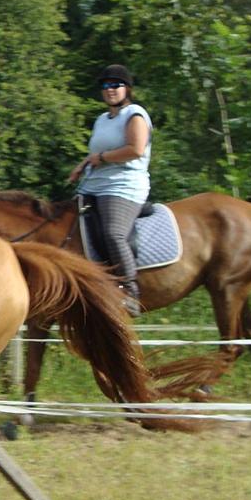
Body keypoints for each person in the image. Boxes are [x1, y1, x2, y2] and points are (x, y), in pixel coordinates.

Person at [67, 64, 152, 317]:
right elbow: (97, 153)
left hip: (124, 185)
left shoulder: (135, 114)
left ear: (127, 88)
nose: (110, 89)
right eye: (105, 85)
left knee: (114, 233)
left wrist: (101, 158)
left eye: (116, 84)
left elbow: (135, 149)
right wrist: (84, 164)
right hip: (94, 184)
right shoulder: (102, 119)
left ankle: (130, 292)